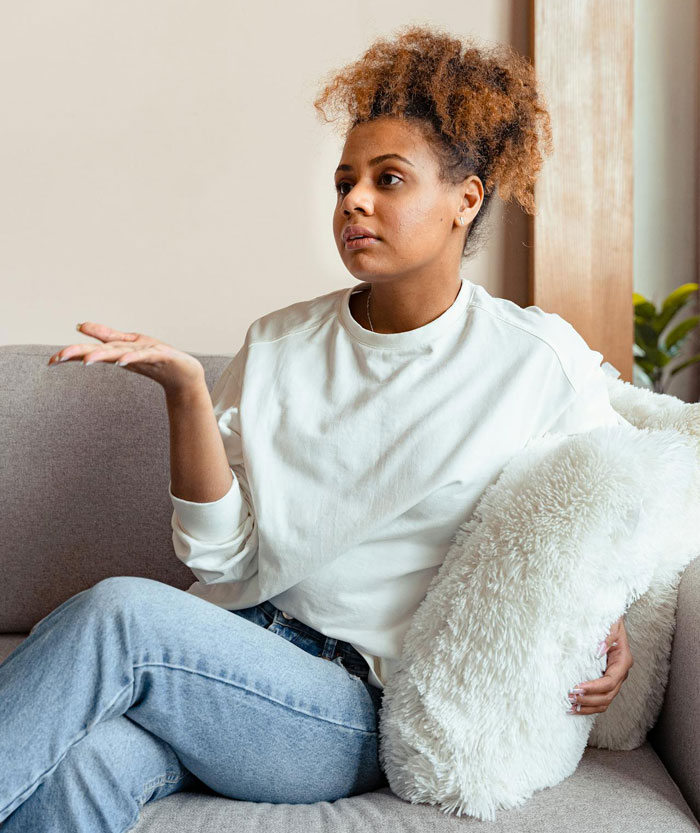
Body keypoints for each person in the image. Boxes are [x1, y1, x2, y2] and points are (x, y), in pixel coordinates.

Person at [0, 23, 633, 832]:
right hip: (226, 655)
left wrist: (608, 619)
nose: (354, 202)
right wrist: (187, 393)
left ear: (464, 201)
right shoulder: (279, 343)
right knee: (82, 767)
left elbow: (612, 499)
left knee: (118, 613)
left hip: (344, 709)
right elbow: (219, 557)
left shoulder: (535, 361)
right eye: (345, 181)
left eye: (389, 179)